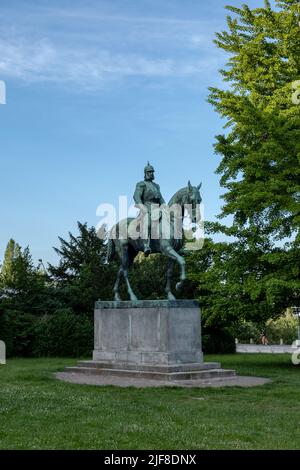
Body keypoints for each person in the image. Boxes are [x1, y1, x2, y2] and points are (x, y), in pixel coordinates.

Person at [133, 162, 165, 256]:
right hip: (146, 209)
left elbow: (161, 200)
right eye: (149, 172)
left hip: (157, 210)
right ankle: (146, 244)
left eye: (152, 172)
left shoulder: (156, 186)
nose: (151, 173)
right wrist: (142, 207)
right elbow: (136, 196)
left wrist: (165, 207)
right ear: (145, 173)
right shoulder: (141, 184)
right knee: (147, 221)